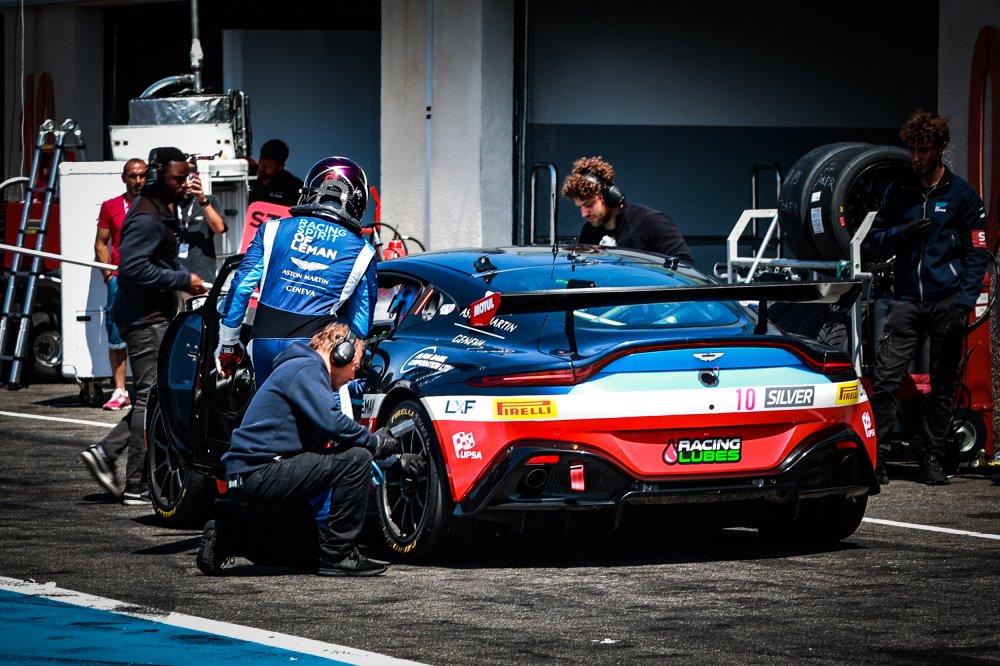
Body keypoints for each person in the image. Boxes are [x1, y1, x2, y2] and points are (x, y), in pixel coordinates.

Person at [196, 322, 424, 577]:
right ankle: (340, 555)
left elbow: (336, 448)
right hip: (257, 475)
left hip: (254, 478)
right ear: (341, 354)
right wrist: (376, 442)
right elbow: (335, 425)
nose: (353, 377)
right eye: (355, 366)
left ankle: (226, 537)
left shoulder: (304, 371)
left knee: (310, 552)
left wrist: (394, 461)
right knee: (357, 458)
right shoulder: (307, 369)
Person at [80, 147, 210, 504]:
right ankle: (136, 484)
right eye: (177, 178)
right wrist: (182, 279)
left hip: (154, 315)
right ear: (158, 177)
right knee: (150, 398)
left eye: (186, 177)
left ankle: (107, 453)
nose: (184, 184)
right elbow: (133, 268)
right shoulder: (146, 217)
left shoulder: (160, 210)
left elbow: (158, 260)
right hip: (143, 318)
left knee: (155, 396)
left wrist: (185, 280)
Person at [866, 111, 987, 486]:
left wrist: (965, 303)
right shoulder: (898, 191)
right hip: (905, 299)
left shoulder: (962, 195)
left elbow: (977, 253)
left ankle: (932, 456)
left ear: (941, 148)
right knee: (886, 379)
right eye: (912, 150)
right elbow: (874, 240)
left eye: (923, 150)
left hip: (946, 301)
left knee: (943, 383)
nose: (916, 157)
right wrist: (902, 233)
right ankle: (878, 458)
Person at [216, 156, 378, 388]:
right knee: (329, 412)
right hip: (318, 349)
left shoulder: (271, 229)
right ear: (358, 201)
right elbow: (361, 325)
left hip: (263, 342)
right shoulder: (363, 252)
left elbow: (241, 287)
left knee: (265, 408)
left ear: (310, 189)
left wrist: (228, 342)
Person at [561, 155, 695, 265]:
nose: (584, 214)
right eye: (580, 207)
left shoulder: (651, 222)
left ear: (609, 196)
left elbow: (685, 265)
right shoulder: (589, 231)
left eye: (589, 205)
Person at [93, 158, 146, 411]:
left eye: (142, 175)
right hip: (120, 280)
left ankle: (149, 389)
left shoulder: (154, 205)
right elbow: (100, 243)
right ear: (124, 178)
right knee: (116, 334)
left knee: (151, 333)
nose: (138, 181)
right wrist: (108, 275)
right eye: (133, 176)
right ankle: (120, 390)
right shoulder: (111, 206)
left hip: (149, 279)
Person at [177, 158, 226, 284]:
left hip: (202, 278)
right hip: (174, 277)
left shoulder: (210, 200)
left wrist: (202, 199)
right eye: (183, 178)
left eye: (191, 177)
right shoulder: (169, 203)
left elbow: (219, 228)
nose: (188, 182)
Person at [248, 139, 303, 207]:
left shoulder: (294, 187)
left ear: (280, 166)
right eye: (260, 163)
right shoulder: (247, 177)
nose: (261, 169)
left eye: (267, 167)